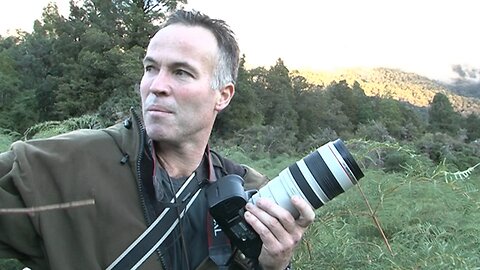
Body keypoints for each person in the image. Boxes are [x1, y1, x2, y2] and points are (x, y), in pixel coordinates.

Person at [0, 10, 315, 270]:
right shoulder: (63, 163)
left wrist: (274, 266)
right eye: (151, 68)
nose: (156, 86)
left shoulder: (250, 195)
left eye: (181, 73)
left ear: (223, 95)